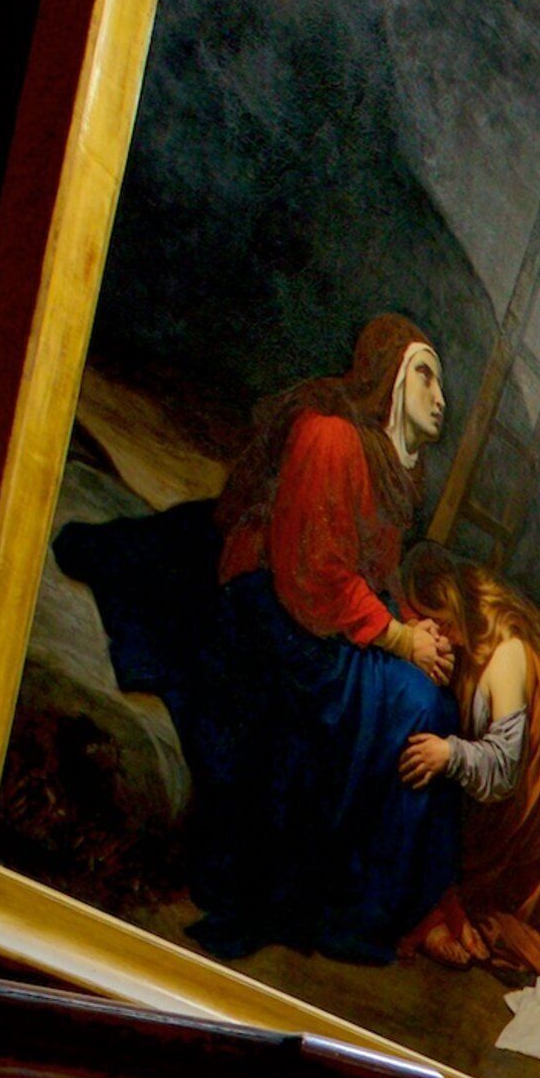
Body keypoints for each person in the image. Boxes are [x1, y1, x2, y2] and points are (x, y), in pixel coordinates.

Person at [182, 313, 462, 962]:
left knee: (433, 707)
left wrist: (407, 624)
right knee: (415, 706)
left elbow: (365, 572)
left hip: (328, 617)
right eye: (426, 374)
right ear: (389, 377)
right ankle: (345, 910)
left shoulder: (394, 468)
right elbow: (312, 570)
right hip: (274, 615)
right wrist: (398, 640)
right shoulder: (332, 436)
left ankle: (369, 907)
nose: (440, 397)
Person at [395, 551, 540, 1005]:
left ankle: (451, 910)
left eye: (443, 625)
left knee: (490, 898)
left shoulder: (503, 653)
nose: (439, 637)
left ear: (456, 609)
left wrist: (449, 753)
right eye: (432, 626)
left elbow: (503, 772)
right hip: (529, 767)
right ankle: (444, 907)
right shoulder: (470, 620)